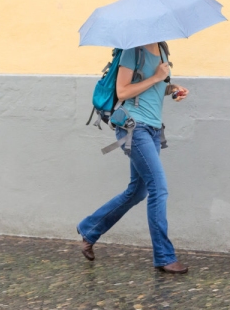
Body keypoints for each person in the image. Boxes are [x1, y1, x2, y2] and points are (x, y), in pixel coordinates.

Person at [77, 41, 190, 274]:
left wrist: (173, 89)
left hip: (153, 128)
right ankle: (164, 256)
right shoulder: (132, 51)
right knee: (158, 188)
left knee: (137, 191)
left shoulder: (162, 48)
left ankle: (89, 229)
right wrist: (157, 77)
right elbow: (123, 91)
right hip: (134, 127)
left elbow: (155, 88)